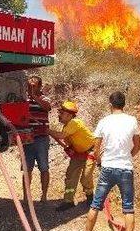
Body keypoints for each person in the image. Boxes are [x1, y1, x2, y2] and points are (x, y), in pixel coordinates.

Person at [85, 91, 140, 231]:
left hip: (108, 168)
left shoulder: (104, 121)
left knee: (95, 205)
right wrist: (128, 156)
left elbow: (96, 149)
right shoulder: (132, 120)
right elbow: (137, 146)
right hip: (125, 169)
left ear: (110, 104)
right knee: (128, 208)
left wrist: (99, 161)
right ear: (124, 104)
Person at [48, 101, 96, 212]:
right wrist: (67, 148)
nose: (59, 115)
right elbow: (67, 143)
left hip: (90, 152)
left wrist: (48, 131)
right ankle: (68, 201)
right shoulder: (67, 127)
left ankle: (90, 197)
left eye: (62, 113)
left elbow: (61, 136)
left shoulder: (74, 123)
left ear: (69, 115)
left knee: (86, 177)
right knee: (70, 177)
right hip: (79, 154)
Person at [23, 74, 52, 202]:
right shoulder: (23, 98)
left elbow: (47, 107)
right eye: (29, 85)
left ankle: (44, 196)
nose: (31, 87)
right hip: (27, 137)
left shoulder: (44, 97)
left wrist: (34, 96)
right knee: (27, 168)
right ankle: (26, 197)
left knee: (44, 167)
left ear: (40, 86)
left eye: (34, 86)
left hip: (41, 138)